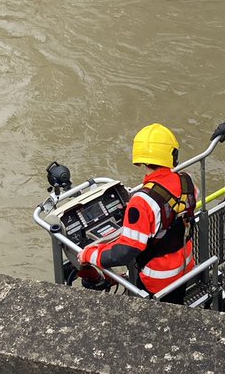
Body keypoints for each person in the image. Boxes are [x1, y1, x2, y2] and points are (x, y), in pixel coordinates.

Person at [77, 123, 198, 304]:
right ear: (173, 154)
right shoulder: (187, 181)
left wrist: (88, 254)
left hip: (157, 281)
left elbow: (126, 251)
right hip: (185, 268)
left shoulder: (141, 201)